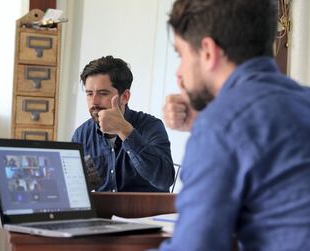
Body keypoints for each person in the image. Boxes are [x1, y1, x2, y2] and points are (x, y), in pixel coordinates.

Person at [158, 0, 310, 250]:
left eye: (181, 54)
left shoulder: (220, 126)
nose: (179, 72)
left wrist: (210, 128)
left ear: (208, 52)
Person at [72, 56, 174, 192]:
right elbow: (82, 189)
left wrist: (125, 130)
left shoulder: (151, 126)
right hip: (103, 212)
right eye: (89, 94)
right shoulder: (82, 135)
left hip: (146, 212)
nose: (94, 101)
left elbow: (164, 180)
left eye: (103, 93)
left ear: (125, 97)